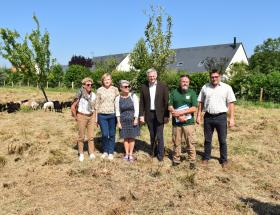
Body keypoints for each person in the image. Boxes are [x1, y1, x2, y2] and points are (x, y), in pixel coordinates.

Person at [196, 69, 236, 168]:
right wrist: (198, 115)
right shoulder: (205, 87)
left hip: (221, 117)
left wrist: (231, 118)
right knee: (207, 140)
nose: (214, 79)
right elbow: (200, 102)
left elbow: (231, 103)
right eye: (212, 77)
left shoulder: (227, 88)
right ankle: (206, 158)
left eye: (216, 77)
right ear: (210, 77)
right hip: (208, 117)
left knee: (222, 140)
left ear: (220, 77)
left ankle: (224, 160)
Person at [139, 68, 169, 161]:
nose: (152, 78)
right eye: (150, 76)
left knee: (159, 136)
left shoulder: (163, 86)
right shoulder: (144, 87)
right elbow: (142, 102)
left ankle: (160, 155)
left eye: (153, 76)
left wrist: (167, 116)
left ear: (156, 76)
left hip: (160, 115)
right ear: (147, 77)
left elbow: (166, 102)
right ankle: (153, 152)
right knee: (152, 135)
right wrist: (141, 115)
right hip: (149, 114)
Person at [168, 75, 197, 169]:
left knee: (190, 142)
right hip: (176, 123)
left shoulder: (192, 93)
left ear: (189, 83)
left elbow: (194, 108)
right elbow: (170, 106)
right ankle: (176, 159)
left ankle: (192, 160)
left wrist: (181, 113)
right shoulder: (174, 92)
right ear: (180, 82)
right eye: (183, 81)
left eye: (186, 82)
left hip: (189, 123)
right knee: (176, 142)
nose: (185, 83)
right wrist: (176, 114)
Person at [71, 77, 96, 162]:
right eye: (88, 84)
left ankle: (91, 153)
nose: (90, 86)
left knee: (91, 136)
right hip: (82, 116)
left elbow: (95, 107)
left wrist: (95, 117)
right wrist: (76, 117)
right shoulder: (80, 94)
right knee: (81, 136)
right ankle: (81, 153)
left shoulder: (93, 95)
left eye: (91, 84)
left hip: (91, 116)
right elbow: (73, 107)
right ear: (84, 85)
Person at [95, 73, 119, 160]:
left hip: (113, 115)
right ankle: (105, 151)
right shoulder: (99, 90)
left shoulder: (115, 90)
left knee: (112, 134)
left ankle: (111, 152)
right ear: (103, 81)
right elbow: (96, 104)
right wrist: (96, 118)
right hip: (102, 116)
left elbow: (118, 102)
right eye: (105, 80)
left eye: (108, 79)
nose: (107, 81)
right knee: (105, 134)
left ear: (111, 81)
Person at [115, 80, 140, 162]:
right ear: (121, 88)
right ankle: (126, 154)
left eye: (128, 86)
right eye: (125, 87)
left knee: (132, 138)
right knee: (125, 138)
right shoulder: (118, 98)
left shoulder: (133, 96)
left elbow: (137, 108)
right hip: (123, 120)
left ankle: (130, 154)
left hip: (132, 120)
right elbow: (117, 111)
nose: (127, 88)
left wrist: (136, 119)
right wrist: (118, 122)